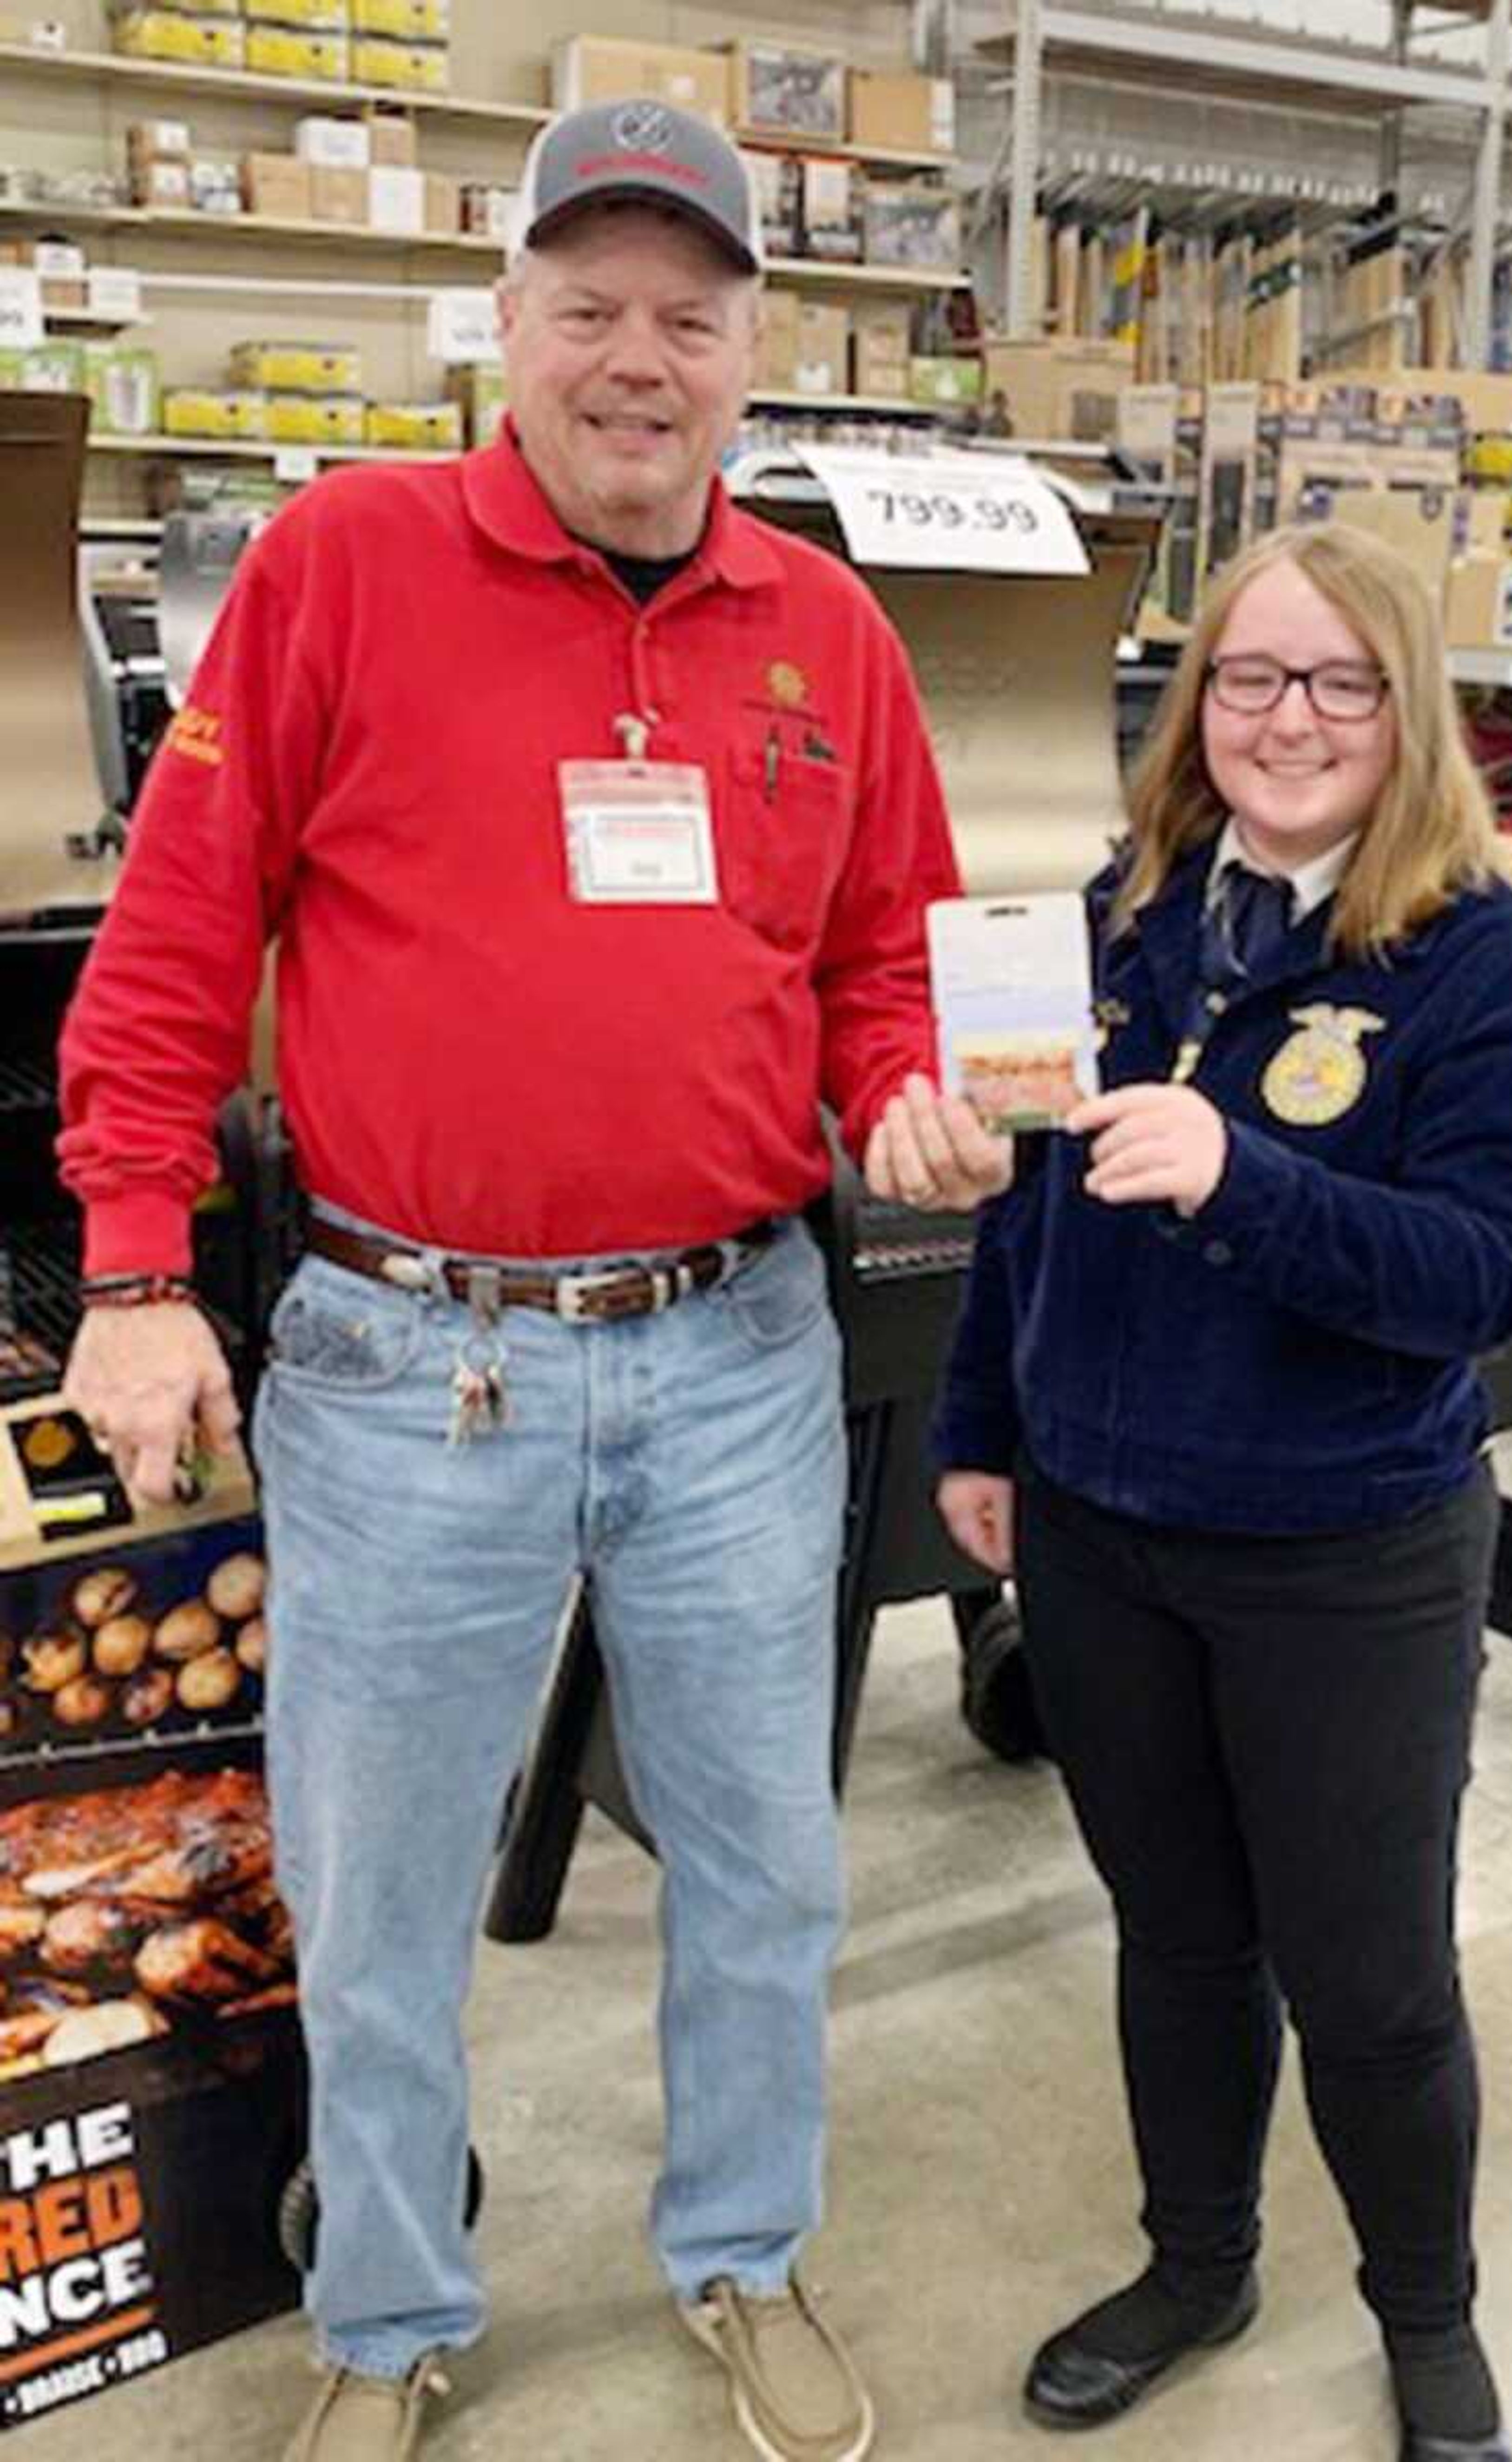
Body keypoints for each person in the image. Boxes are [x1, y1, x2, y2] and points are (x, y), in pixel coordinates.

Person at [57, 98, 1007, 2462]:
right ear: (508, 327)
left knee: (768, 1864)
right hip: (406, 1364)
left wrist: (906, 1083)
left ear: (752, 350)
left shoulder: (831, 635)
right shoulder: (341, 565)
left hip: (736, 1358)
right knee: (376, 1891)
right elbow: (179, 937)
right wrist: (135, 1253)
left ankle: (743, 2252)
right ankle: (386, 2309)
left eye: (689, 314)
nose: (637, 359)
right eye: (587, 307)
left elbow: (887, 958)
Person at [932, 522, 1512, 2462]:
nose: (1286, 719)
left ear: (1408, 712)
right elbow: (1021, 1218)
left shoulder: (1482, 960)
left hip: (1345, 1552)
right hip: (1104, 1530)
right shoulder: (1120, 915)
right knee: (1178, 1938)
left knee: (1370, 1976)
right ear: (1190, 699)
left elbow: (1490, 1275)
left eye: (1336, 682)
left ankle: (1428, 2312)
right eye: (1247, 677)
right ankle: (1198, 2261)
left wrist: (1245, 1174)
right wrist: (983, 1427)